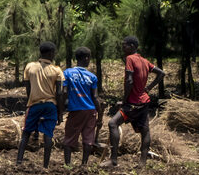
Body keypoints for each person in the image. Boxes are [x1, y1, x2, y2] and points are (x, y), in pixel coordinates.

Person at [102, 36, 164, 167]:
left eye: (124, 45)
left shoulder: (130, 59)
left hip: (132, 104)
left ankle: (113, 160)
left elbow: (129, 81)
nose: (123, 48)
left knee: (113, 123)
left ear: (132, 46)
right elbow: (161, 73)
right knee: (145, 131)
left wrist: (124, 101)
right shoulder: (144, 61)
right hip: (144, 102)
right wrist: (148, 88)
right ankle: (142, 162)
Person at [17, 41, 64, 168]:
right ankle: (45, 165)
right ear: (51, 53)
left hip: (34, 104)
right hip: (50, 105)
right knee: (48, 134)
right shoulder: (57, 70)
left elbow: (28, 87)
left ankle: (19, 161)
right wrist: (60, 112)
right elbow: (59, 93)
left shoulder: (30, 67)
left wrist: (30, 102)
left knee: (26, 132)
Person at [61, 47, 101, 166]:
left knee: (69, 138)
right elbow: (95, 97)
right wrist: (100, 113)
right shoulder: (92, 77)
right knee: (88, 139)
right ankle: (84, 164)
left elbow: (63, 91)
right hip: (90, 110)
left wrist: (61, 107)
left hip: (76, 109)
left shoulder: (67, 73)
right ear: (86, 58)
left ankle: (68, 164)